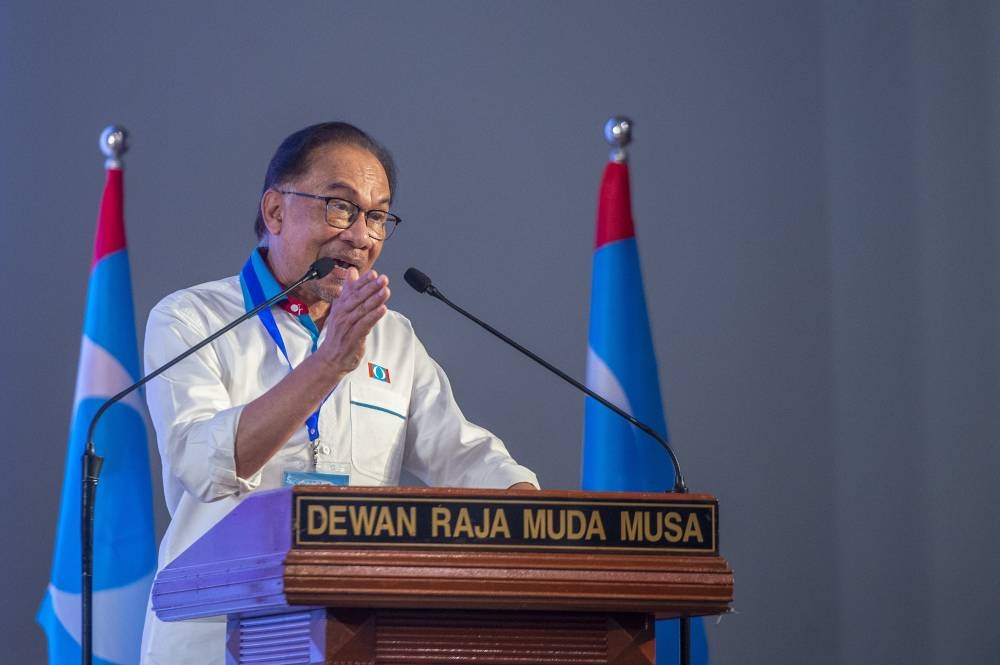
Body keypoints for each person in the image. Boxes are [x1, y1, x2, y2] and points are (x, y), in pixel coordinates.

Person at [139, 122, 538, 664]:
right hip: (220, 633)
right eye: (340, 206)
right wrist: (329, 363)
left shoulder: (392, 336)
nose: (362, 235)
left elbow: (460, 454)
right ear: (275, 211)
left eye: (377, 216)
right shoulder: (191, 319)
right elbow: (203, 464)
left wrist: (533, 511)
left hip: (356, 631)